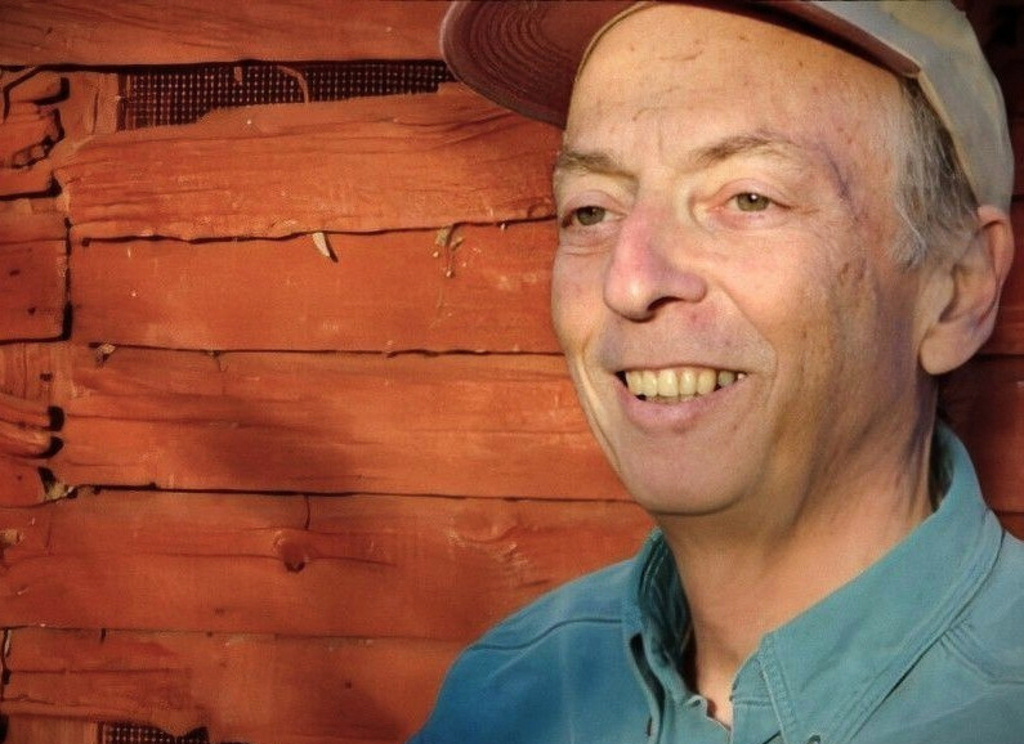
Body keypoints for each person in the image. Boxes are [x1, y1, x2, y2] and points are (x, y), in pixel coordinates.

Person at [410, 2, 1023, 742]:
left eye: (749, 198)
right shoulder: (503, 697)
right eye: (591, 211)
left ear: (957, 290)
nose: (629, 283)